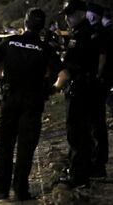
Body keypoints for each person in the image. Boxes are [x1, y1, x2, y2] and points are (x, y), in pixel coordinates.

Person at [0, 8, 59, 201]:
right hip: (33, 103)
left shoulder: (9, 42)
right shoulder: (45, 47)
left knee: (4, 146)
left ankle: (0, 189)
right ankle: (21, 191)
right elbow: (64, 74)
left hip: (10, 100)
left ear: (25, 23)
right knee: (26, 147)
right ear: (41, 27)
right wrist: (52, 89)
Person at [53, 0, 100, 188]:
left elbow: (72, 64)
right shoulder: (85, 33)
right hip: (84, 88)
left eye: (70, 14)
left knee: (77, 132)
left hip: (80, 89)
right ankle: (80, 171)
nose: (66, 18)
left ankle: (78, 176)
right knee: (82, 132)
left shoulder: (82, 35)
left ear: (81, 13)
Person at [86, 2, 110, 178]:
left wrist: (96, 77)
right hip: (99, 83)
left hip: (97, 85)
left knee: (96, 123)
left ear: (93, 15)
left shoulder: (99, 33)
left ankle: (98, 164)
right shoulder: (98, 32)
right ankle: (97, 162)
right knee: (96, 122)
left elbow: (102, 58)